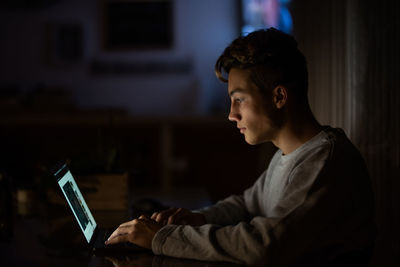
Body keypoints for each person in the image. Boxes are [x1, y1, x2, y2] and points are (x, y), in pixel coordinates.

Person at [106, 28, 376, 266]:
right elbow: (247, 205)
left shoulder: (325, 162)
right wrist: (197, 219)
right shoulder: (290, 155)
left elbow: (265, 246)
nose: (231, 114)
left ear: (279, 96)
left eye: (240, 100)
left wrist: (163, 238)